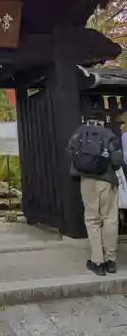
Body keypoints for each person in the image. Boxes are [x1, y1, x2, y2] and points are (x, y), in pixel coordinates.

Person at [67, 112, 123, 276]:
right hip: (107, 181)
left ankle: (97, 261)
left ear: (86, 119)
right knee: (110, 219)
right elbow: (118, 161)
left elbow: (70, 153)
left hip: (87, 182)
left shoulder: (78, 132)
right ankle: (111, 261)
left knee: (92, 220)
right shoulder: (109, 135)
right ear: (103, 121)